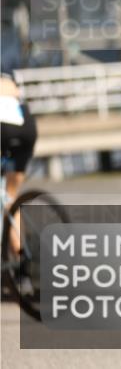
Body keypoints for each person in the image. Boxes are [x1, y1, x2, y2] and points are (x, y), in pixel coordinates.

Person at [1, 72, 37, 258]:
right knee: (10, 196)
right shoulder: (9, 78)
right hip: (27, 126)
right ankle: (22, 256)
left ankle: (14, 255)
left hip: (3, 128)